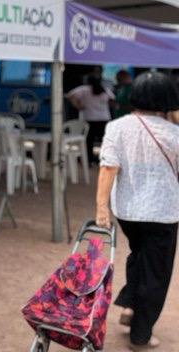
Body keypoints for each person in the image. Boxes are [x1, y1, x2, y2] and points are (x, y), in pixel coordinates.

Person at [95, 71, 179, 351]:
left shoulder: (116, 127)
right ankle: (140, 337)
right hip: (163, 213)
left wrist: (101, 208)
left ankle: (131, 305)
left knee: (139, 256)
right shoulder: (174, 133)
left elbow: (108, 167)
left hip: (128, 212)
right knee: (156, 273)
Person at [67, 68, 115, 163]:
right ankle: (104, 160)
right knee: (104, 141)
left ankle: (88, 160)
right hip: (104, 118)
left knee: (89, 141)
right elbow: (113, 101)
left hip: (89, 118)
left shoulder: (83, 89)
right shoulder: (105, 90)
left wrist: (78, 105)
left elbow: (70, 96)